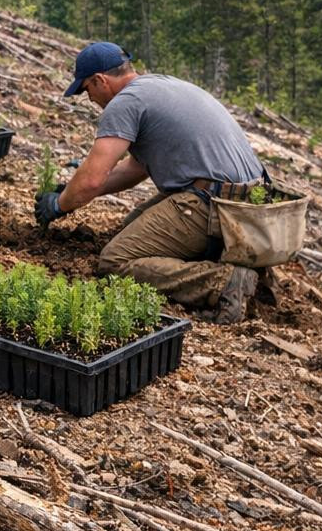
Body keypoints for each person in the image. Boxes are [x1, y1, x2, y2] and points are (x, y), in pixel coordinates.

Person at [35, 41, 268, 322]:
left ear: (100, 80)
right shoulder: (160, 85)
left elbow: (93, 179)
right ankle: (219, 258)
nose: (90, 99)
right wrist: (72, 192)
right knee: (128, 232)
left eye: (86, 90)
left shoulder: (125, 103)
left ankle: (222, 281)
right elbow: (136, 168)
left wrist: (59, 205)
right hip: (249, 202)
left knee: (115, 262)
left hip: (214, 204)